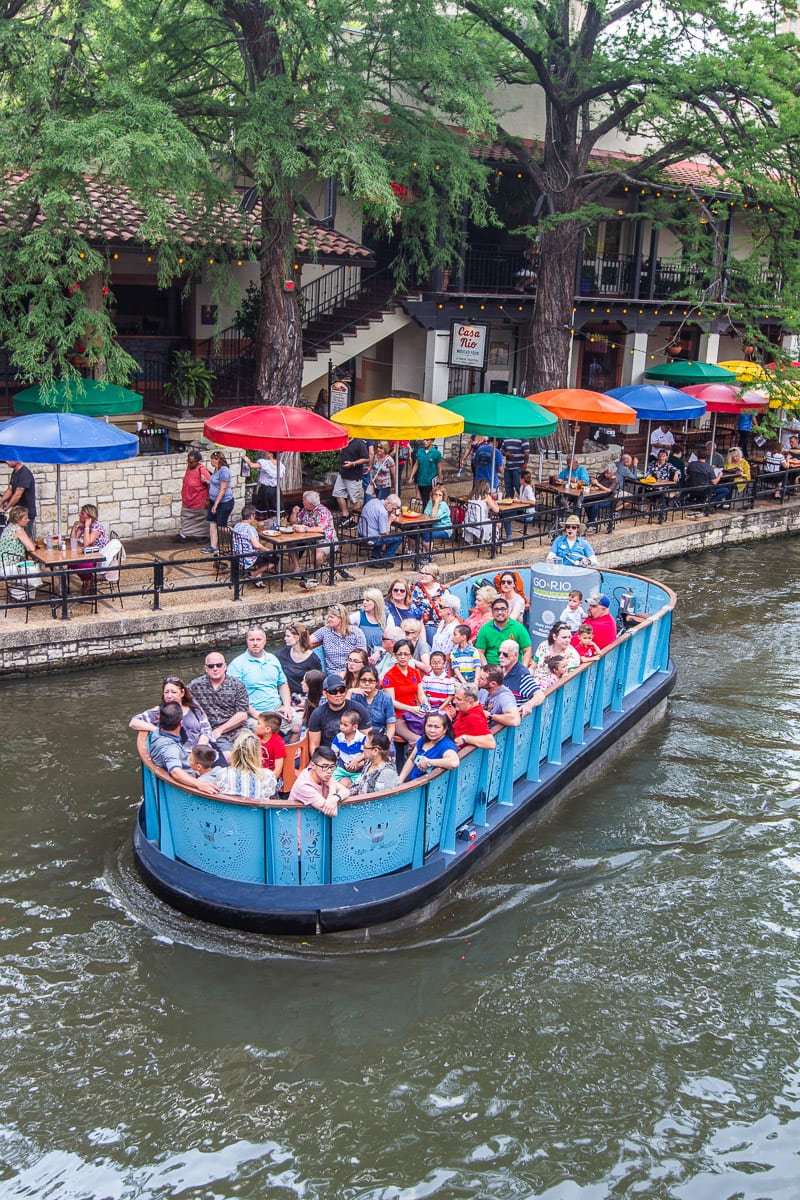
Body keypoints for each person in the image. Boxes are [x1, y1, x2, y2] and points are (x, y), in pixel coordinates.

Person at [147, 701, 218, 794]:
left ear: (159, 719)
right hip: (188, 788)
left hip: (192, 771)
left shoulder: (157, 733)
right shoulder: (169, 748)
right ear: (181, 723)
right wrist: (199, 784)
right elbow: (175, 772)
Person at [227, 627, 294, 721]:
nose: (255, 643)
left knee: (298, 725)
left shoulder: (273, 659)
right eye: (251, 640)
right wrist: (255, 713)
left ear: (265, 641)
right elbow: (234, 695)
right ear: (247, 641)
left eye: (258, 639)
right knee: (265, 730)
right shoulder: (237, 664)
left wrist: (287, 706)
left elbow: (282, 684)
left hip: (277, 709)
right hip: (253, 713)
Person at [129, 674, 213, 749]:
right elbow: (134, 722)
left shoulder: (194, 707)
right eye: (166, 692)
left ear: (182, 693)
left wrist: (199, 749)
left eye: (173, 692)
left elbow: (206, 729)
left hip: (201, 752)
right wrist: (156, 730)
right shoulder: (160, 711)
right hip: (179, 757)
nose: (169, 696)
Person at [188, 653, 250, 755]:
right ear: (206, 668)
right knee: (228, 756)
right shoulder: (195, 685)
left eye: (219, 665)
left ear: (225, 666)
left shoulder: (237, 685)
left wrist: (220, 730)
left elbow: (242, 714)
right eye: (211, 666)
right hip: (212, 733)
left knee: (252, 749)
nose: (215, 669)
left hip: (237, 730)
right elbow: (178, 697)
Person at [288, 490, 354, 583]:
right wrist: (294, 513)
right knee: (290, 544)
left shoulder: (322, 511)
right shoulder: (304, 510)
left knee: (318, 554)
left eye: (304, 500)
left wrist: (305, 529)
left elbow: (321, 529)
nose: (302, 501)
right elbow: (293, 522)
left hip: (326, 540)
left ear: (310, 503)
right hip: (308, 539)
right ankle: (297, 569)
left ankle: (316, 571)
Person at [306, 674, 371, 753]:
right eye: (333, 691)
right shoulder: (317, 714)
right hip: (328, 756)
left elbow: (368, 738)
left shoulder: (358, 708)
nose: (338, 694)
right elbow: (314, 745)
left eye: (342, 690)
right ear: (325, 693)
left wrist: (361, 760)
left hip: (355, 755)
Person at [208, 729, 278, 800]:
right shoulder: (268, 776)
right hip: (255, 811)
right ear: (258, 753)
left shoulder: (223, 774)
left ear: (235, 752)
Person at [382, 639, 427, 747]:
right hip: (398, 717)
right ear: (395, 655)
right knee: (417, 740)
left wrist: (425, 703)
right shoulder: (389, 676)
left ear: (410, 655)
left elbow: (421, 694)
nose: (402, 657)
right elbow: (390, 701)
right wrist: (411, 708)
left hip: (415, 714)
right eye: (400, 654)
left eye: (406, 654)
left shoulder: (415, 672)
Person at [398, 711, 460, 782]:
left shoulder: (446, 745)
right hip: (413, 782)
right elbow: (412, 759)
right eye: (429, 726)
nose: (432, 730)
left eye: (437, 727)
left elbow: (454, 763)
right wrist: (400, 780)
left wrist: (429, 762)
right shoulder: (424, 739)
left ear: (445, 729)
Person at [310, 603, 368, 675]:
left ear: (341, 618)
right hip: (333, 673)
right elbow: (307, 641)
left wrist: (346, 673)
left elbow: (363, 657)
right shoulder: (325, 631)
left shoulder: (356, 632)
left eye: (332, 617)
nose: (328, 619)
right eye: (328, 617)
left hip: (353, 673)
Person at [288, 746, 346, 816]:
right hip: (299, 823)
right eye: (325, 766)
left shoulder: (323, 775)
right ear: (313, 765)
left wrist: (334, 799)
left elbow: (346, 791)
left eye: (332, 767)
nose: (329, 771)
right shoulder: (304, 786)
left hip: (315, 821)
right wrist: (332, 786)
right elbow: (333, 812)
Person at [0, 505, 43, 599]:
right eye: (25, 518)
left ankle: (23, 593)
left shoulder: (9, 527)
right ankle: (27, 595)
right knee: (33, 565)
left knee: (30, 564)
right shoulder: (18, 530)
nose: (28, 520)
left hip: (3, 564)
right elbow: (31, 548)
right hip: (9, 567)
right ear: (18, 519)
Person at [475, 596, 532, 666]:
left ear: (508, 611)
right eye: (496, 609)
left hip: (513, 670)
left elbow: (527, 650)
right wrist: (486, 668)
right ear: (492, 612)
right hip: (492, 670)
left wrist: (523, 669)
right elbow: (480, 651)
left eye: (503, 609)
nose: (499, 612)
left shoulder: (518, 628)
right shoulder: (485, 629)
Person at [230, 505, 277, 586]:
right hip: (248, 557)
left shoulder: (236, 525)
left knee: (264, 555)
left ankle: (258, 579)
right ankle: (253, 573)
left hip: (237, 555)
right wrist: (267, 550)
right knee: (274, 559)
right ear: (251, 516)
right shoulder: (250, 529)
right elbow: (256, 545)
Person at [276, 623, 323, 702]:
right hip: (285, 697)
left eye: (288, 636)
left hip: (303, 698)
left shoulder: (312, 659)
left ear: (297, 637)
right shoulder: (282, 654)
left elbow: (317, 684)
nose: (285, 638)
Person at [344, 730, 400, 795]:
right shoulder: (369, 762)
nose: (362, 749)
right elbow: (358, 785)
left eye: (365, 747)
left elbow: (381, 799)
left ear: (375, 751)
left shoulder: (387, 773)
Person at [69, 503, 109, 592]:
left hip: (99, 556)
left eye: (82, 513)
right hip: (89, 553)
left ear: (89, 516)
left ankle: (90, 581)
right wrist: (74, 527)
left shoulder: (97, 526)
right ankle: (88, 580)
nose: (79, 515)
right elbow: (73, 540)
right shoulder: (83, 525)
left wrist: (87, 527)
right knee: (71, 563)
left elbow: (86, 543)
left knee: (80, 565)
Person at [347, 666, 396, 741]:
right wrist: (349, 692)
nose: (367, 683)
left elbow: (391, 726)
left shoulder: (385, 698)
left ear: (376, 682)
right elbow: (345, 717)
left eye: (371, 681)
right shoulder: (354, 697)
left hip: (380, 735)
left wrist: (386, 742)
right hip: (358, 736)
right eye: (363, 680)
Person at [202, 450, 234, 556]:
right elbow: (215, 483)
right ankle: (213, 546)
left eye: (212, 458)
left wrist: (216, 504)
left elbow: (223, 488)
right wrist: (207, 482)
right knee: (212, 523)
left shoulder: (224, 471)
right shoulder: (216, 469)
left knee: (221, 525)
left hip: (224, 502)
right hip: (213, 500)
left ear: (217, 459)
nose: (210, 461)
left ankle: (238, 534)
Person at [175, 450, 210, 542]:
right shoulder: (189, 467)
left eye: (191, 462)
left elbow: (210, 483)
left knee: (201, 519)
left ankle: (205, 536)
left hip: (199, 501)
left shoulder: (201, 470)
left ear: (197, 461)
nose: (189, 463)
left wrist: (208, 499)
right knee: (186, 518)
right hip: (188, 501)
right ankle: (183, 535)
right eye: (188, 461)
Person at [358, 493, 403, 564]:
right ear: (388, 502)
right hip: (372, 539)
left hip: (361, 535)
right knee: (399, 538)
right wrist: (390, 521)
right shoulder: (382, 511)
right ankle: (385, 559)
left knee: (378, 532)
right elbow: (384, 533)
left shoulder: (373, 501)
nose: (393, 510)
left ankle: (375, 555)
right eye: (393, 508)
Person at [333, 436, 370, 520]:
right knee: (338, 493)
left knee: (355, 500)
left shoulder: (359, 443)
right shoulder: (343, 442)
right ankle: (345, 515)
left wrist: (353, 463)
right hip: (342, 474)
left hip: (354, 476)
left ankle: (355, 520)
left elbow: (366, 458)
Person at [452, 684, 496, 751]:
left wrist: (465, 739)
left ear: (470, 702)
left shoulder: (474, 717)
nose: (454, 701)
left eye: (459, 699)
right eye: (455, 698)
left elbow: (491, 743)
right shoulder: (464, 710)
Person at [498, 639, 541, 704]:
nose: (501, 656)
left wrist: (528, 705)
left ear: (515, 655)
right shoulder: (497, 670)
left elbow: (539, 695)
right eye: (499, 653)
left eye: (505, 654)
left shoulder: (522, 675)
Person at [331, 709, 368, 781]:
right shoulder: (339, 737)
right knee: (332, 780)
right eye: (341, 723)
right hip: (341, 767)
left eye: (345, 725)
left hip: (358, 770)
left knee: (360, 783)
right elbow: (334, 753)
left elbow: (365, 753)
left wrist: (356, 761)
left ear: (355, 727)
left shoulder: (361, 738)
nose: (341, 727)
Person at [464, 478, 502, 546]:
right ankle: (493, 541)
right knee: (498, 523)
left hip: (470, 520)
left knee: (493, 519)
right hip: (480, 522)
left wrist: (489, 507)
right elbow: (497, 510)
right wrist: (495, 504)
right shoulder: (486, 497)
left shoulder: (472, 495)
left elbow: (479, 509)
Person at [408, 437, 443, 509]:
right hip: (421, 480)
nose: (424, 442)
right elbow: (416, 465)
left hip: (430, 481)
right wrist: (411, 477)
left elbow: (439, 468)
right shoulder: (420, 451)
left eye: (427, 440)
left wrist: (440, 480)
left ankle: (427, 514)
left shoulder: (436, 453)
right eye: (424, 439)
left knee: (427, 499)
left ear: (432, 441)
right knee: (424, 499)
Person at [0, 461, 36, 531]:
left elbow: (18, 495)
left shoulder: (24, 474)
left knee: (26, 537)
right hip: (16, 513)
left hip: (25, 514)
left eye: (10, 460)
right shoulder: (15, 472)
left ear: (17, 460)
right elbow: (10, 489)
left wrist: (5, 509)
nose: (7, 461)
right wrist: (0, 502)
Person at [350, 588, 388, 654]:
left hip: (382, 654)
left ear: (376, 602)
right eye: (364, 600)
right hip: (364, 655)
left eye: (368, 600)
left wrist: (379, 653)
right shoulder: (358, 616)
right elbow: (343, 623)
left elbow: (392, 640)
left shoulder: (387, 617)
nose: (364, 602)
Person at [253, 450, 285, 518]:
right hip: (276, 490)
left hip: (265, 490)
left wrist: (247, 460)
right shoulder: (280, 464)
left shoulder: (265, 463)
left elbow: (252, 466)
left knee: (264, 509)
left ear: (271, 454)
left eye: (268, 452)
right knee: (275, 509)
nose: (266, 452)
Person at [253, 711, 286, 777]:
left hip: (271, 777)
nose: (255, 726)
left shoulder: (278, 743)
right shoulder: (256, 737)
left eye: (258, 723)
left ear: (267, 729)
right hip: (257, 772)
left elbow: (278, 769)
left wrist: (268, 783)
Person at [422, 485, 452, 550]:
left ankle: (429, 556)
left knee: (427, 535)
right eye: (435, 494)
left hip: (445, 529)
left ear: (443, 497)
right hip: (433, 527)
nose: (437, 496)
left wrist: (436, 503)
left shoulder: (443, 505)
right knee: (415, 531)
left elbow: (434, 516)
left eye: (440, 495)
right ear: (432, 495)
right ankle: (412, 551)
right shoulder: (430, 502)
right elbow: (426, 513)